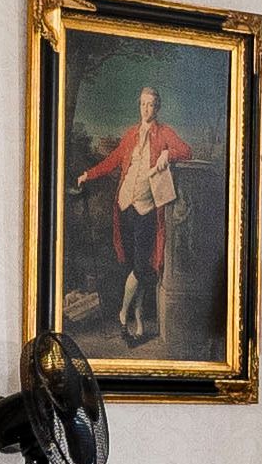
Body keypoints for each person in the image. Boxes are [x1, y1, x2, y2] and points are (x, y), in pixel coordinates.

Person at [80, 83, 197, 345]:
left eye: (152, 105)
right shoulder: (131, 133)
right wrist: (88, 175)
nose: (147, 109)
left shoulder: (164, 132)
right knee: (134, 267)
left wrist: (168, 152)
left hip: (147, 209)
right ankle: (139, 318)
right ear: (139, 105)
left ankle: (123, 315)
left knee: (141, 268)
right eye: (143, 104)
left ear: (158, 108)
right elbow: (113, 160)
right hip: (124, 207)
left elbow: (187, 151)